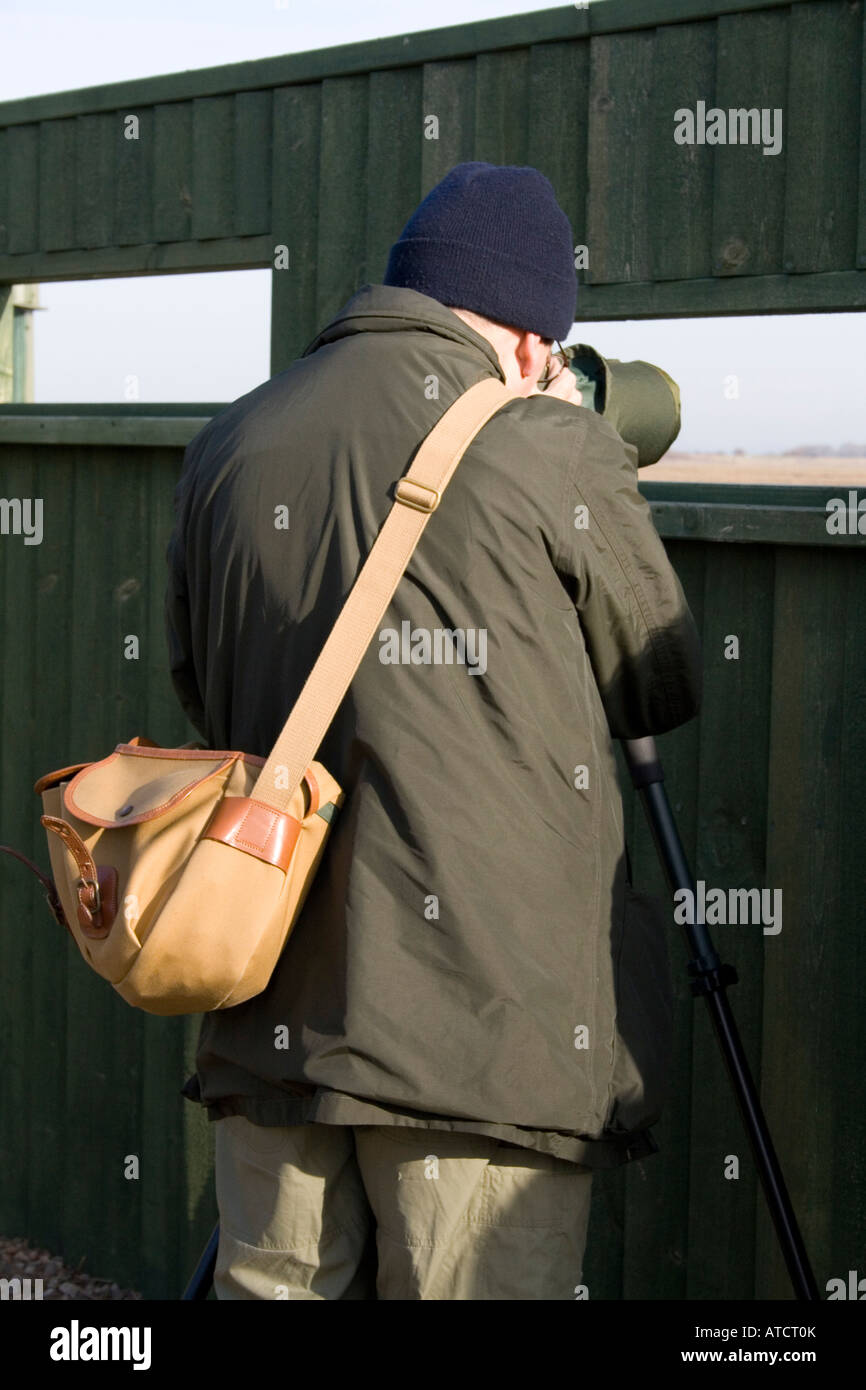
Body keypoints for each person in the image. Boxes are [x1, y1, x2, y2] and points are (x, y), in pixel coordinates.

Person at [164, 161, 702, 1300]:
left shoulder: (229, 441)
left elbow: (201, 690)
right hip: (483, 1040)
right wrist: (577, 443)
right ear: (525, 336)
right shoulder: (544, 444)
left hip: (270, 1014)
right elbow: (658, 678)